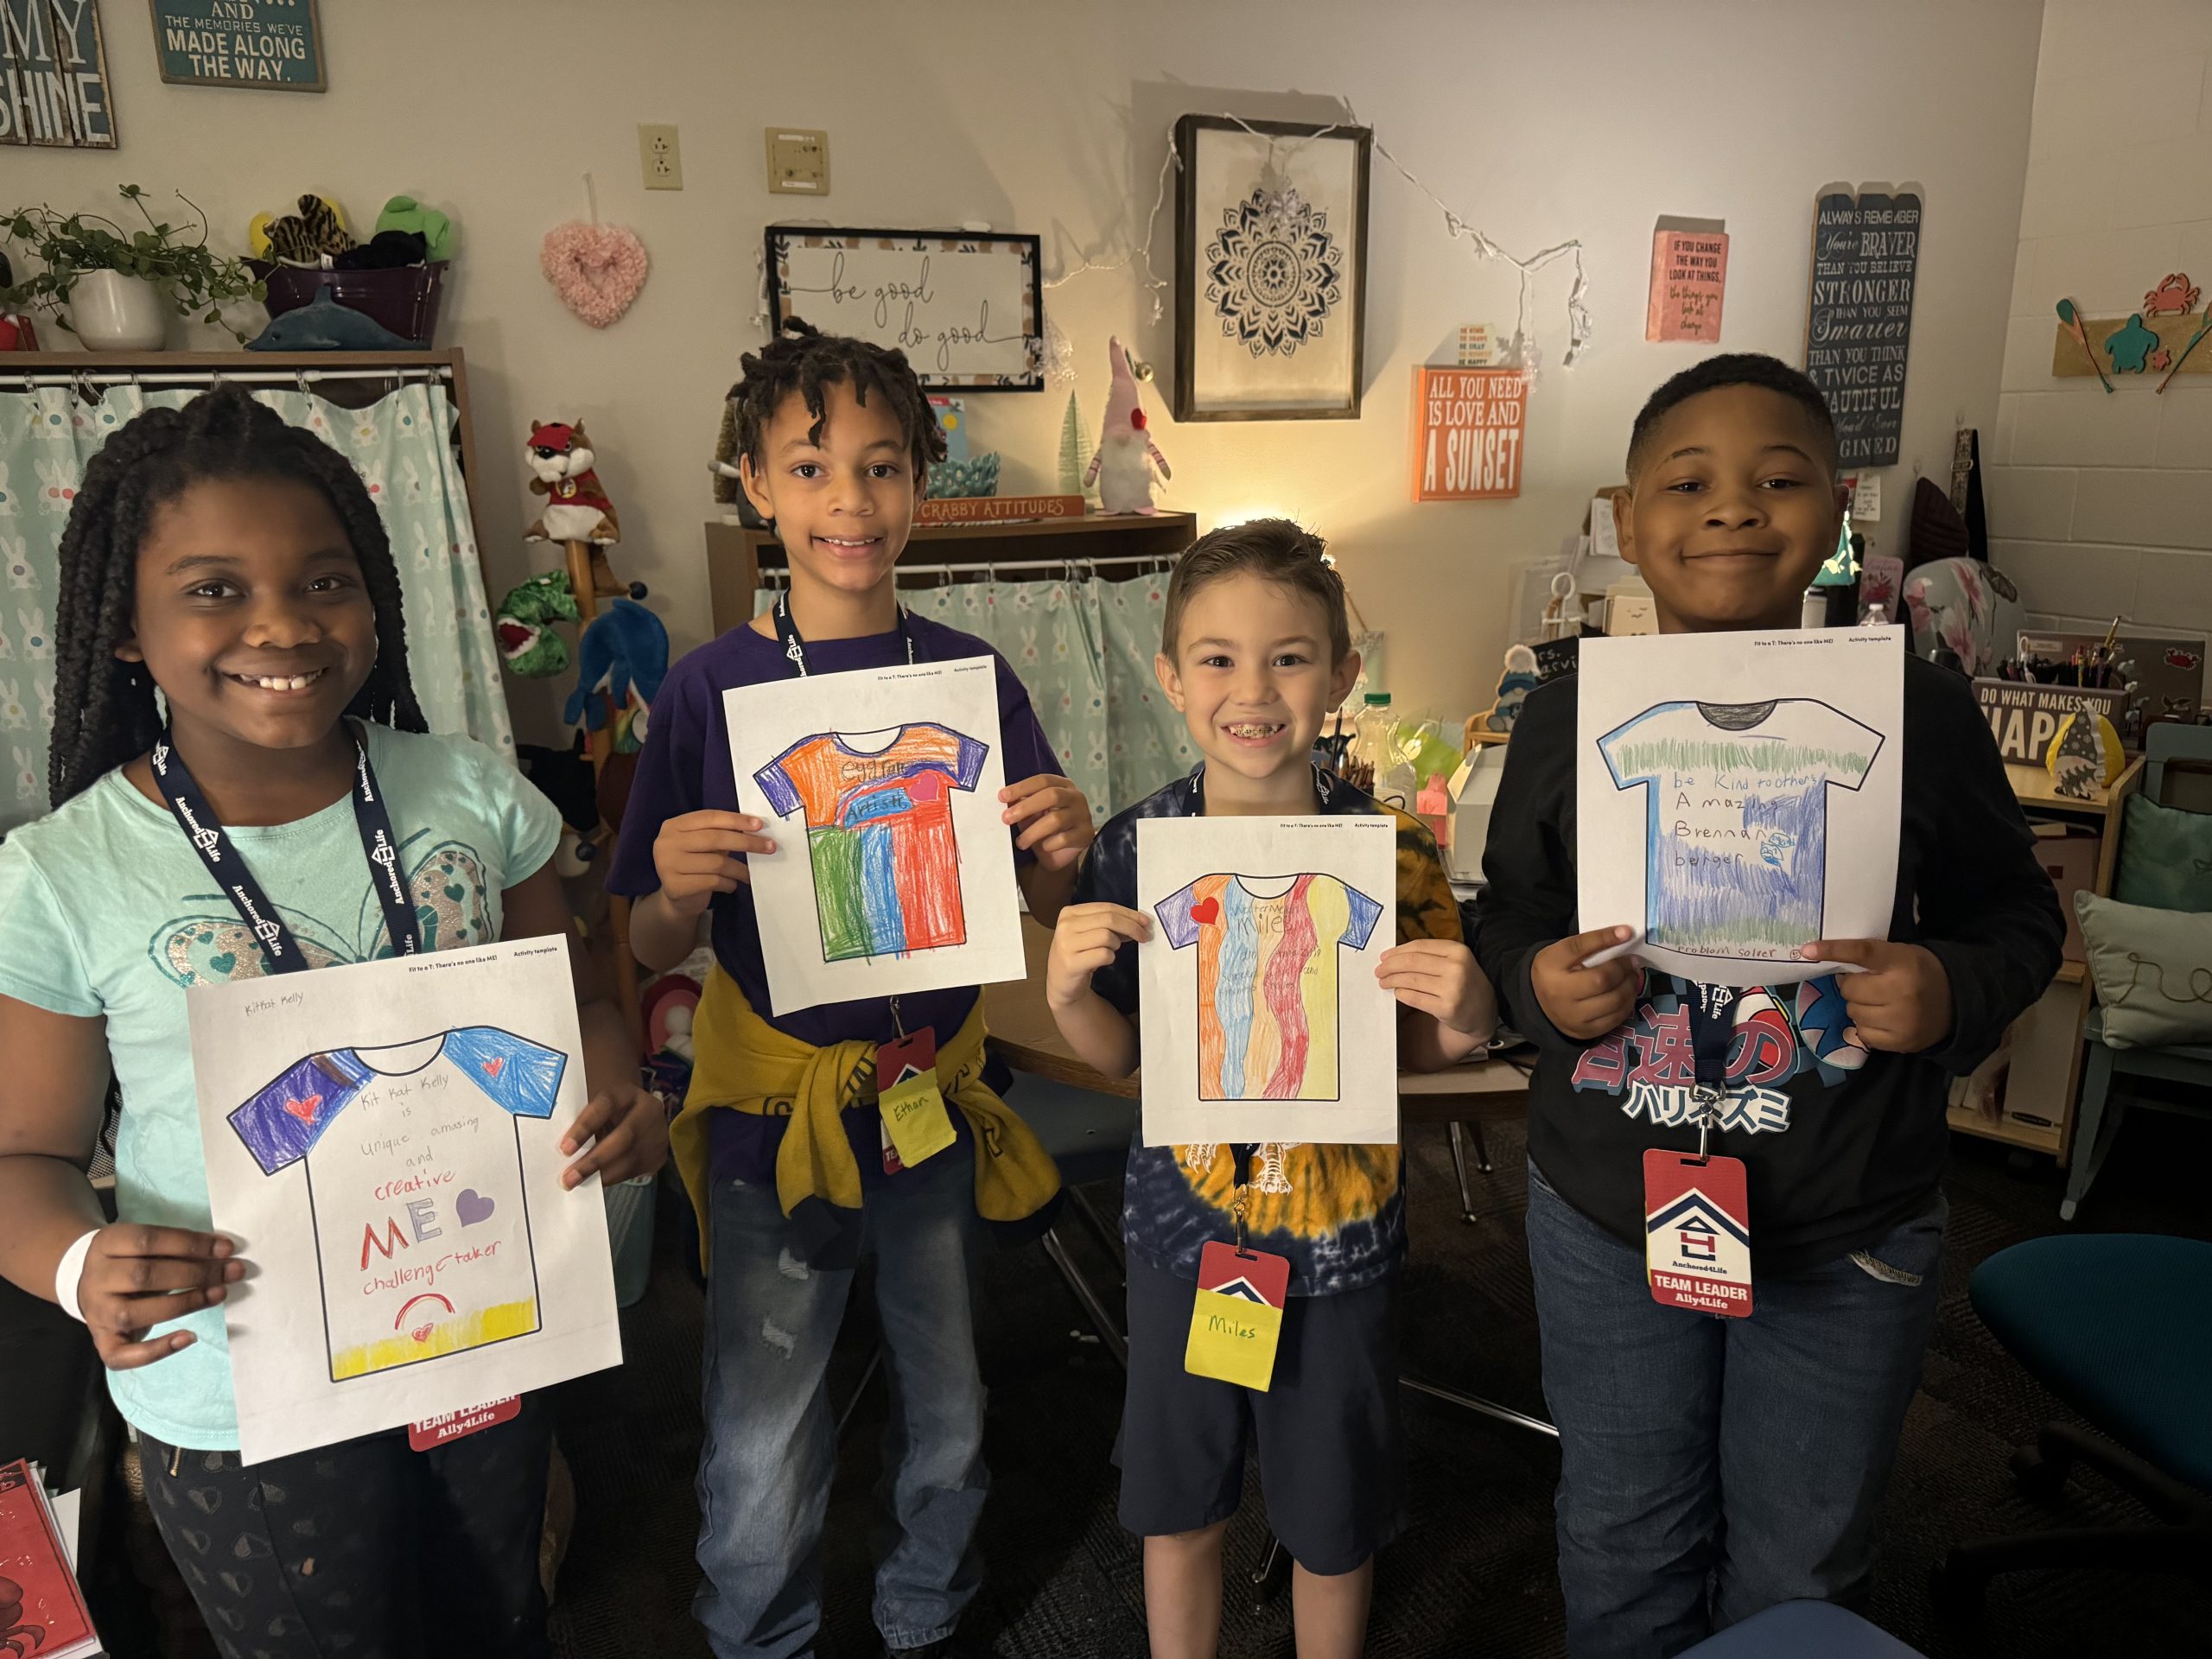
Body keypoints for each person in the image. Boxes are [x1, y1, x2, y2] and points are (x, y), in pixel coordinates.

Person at [0, 386, 665, 1657]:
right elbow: (25, 1157)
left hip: (478, 1325)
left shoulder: (471, 795)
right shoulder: (64, 874)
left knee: (500, 1619)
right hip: (241, 1385)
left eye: (325, 582)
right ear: (125, 626)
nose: (282, 624)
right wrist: (80, 1265)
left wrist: (620, 1087)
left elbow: (581, 1000)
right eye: (213, 590)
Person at [1475, 354, 2064, 1659]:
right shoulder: (1563, 718)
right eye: (1688, 484)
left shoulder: (1919, 709)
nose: (1733, 508)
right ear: (1628, 520)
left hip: (1844, 1218)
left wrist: (1949, 989)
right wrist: (1537, 984)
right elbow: (1507, 912)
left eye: (1778, 480)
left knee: (1802, 1561)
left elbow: (2018, 915)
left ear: (1838, 509)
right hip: (1608, 1208)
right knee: (1621, 1532)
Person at [609, 318, 1096, 1659]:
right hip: (775, 1113)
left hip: (931, 1098)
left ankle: (928, 1611)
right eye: (812, 468)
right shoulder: (707, 690)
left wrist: (1061, 845)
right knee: (765, 1415)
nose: (851, 502)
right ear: (756, 486)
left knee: (950, 1394)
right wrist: (675, 888)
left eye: (883, 468)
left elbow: (1040, 906)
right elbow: (645, 943)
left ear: (920, 485)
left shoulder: (971, 678)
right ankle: (756, 1631)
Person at [1045, 519, 1496, 1659]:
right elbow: (1121, 1059)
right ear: (1170, 676)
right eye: (1218, 659)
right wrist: (1068, 995)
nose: (1252, 690)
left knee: (1332, 1521)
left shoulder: (1394, 854)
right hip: (1182, 1237)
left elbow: (1412, 1051)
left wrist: (1467, 1015)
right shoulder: (1133, 850)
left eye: (1289, 657)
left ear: (1341, 674)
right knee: (1179, 1503)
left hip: (1341, 1241)